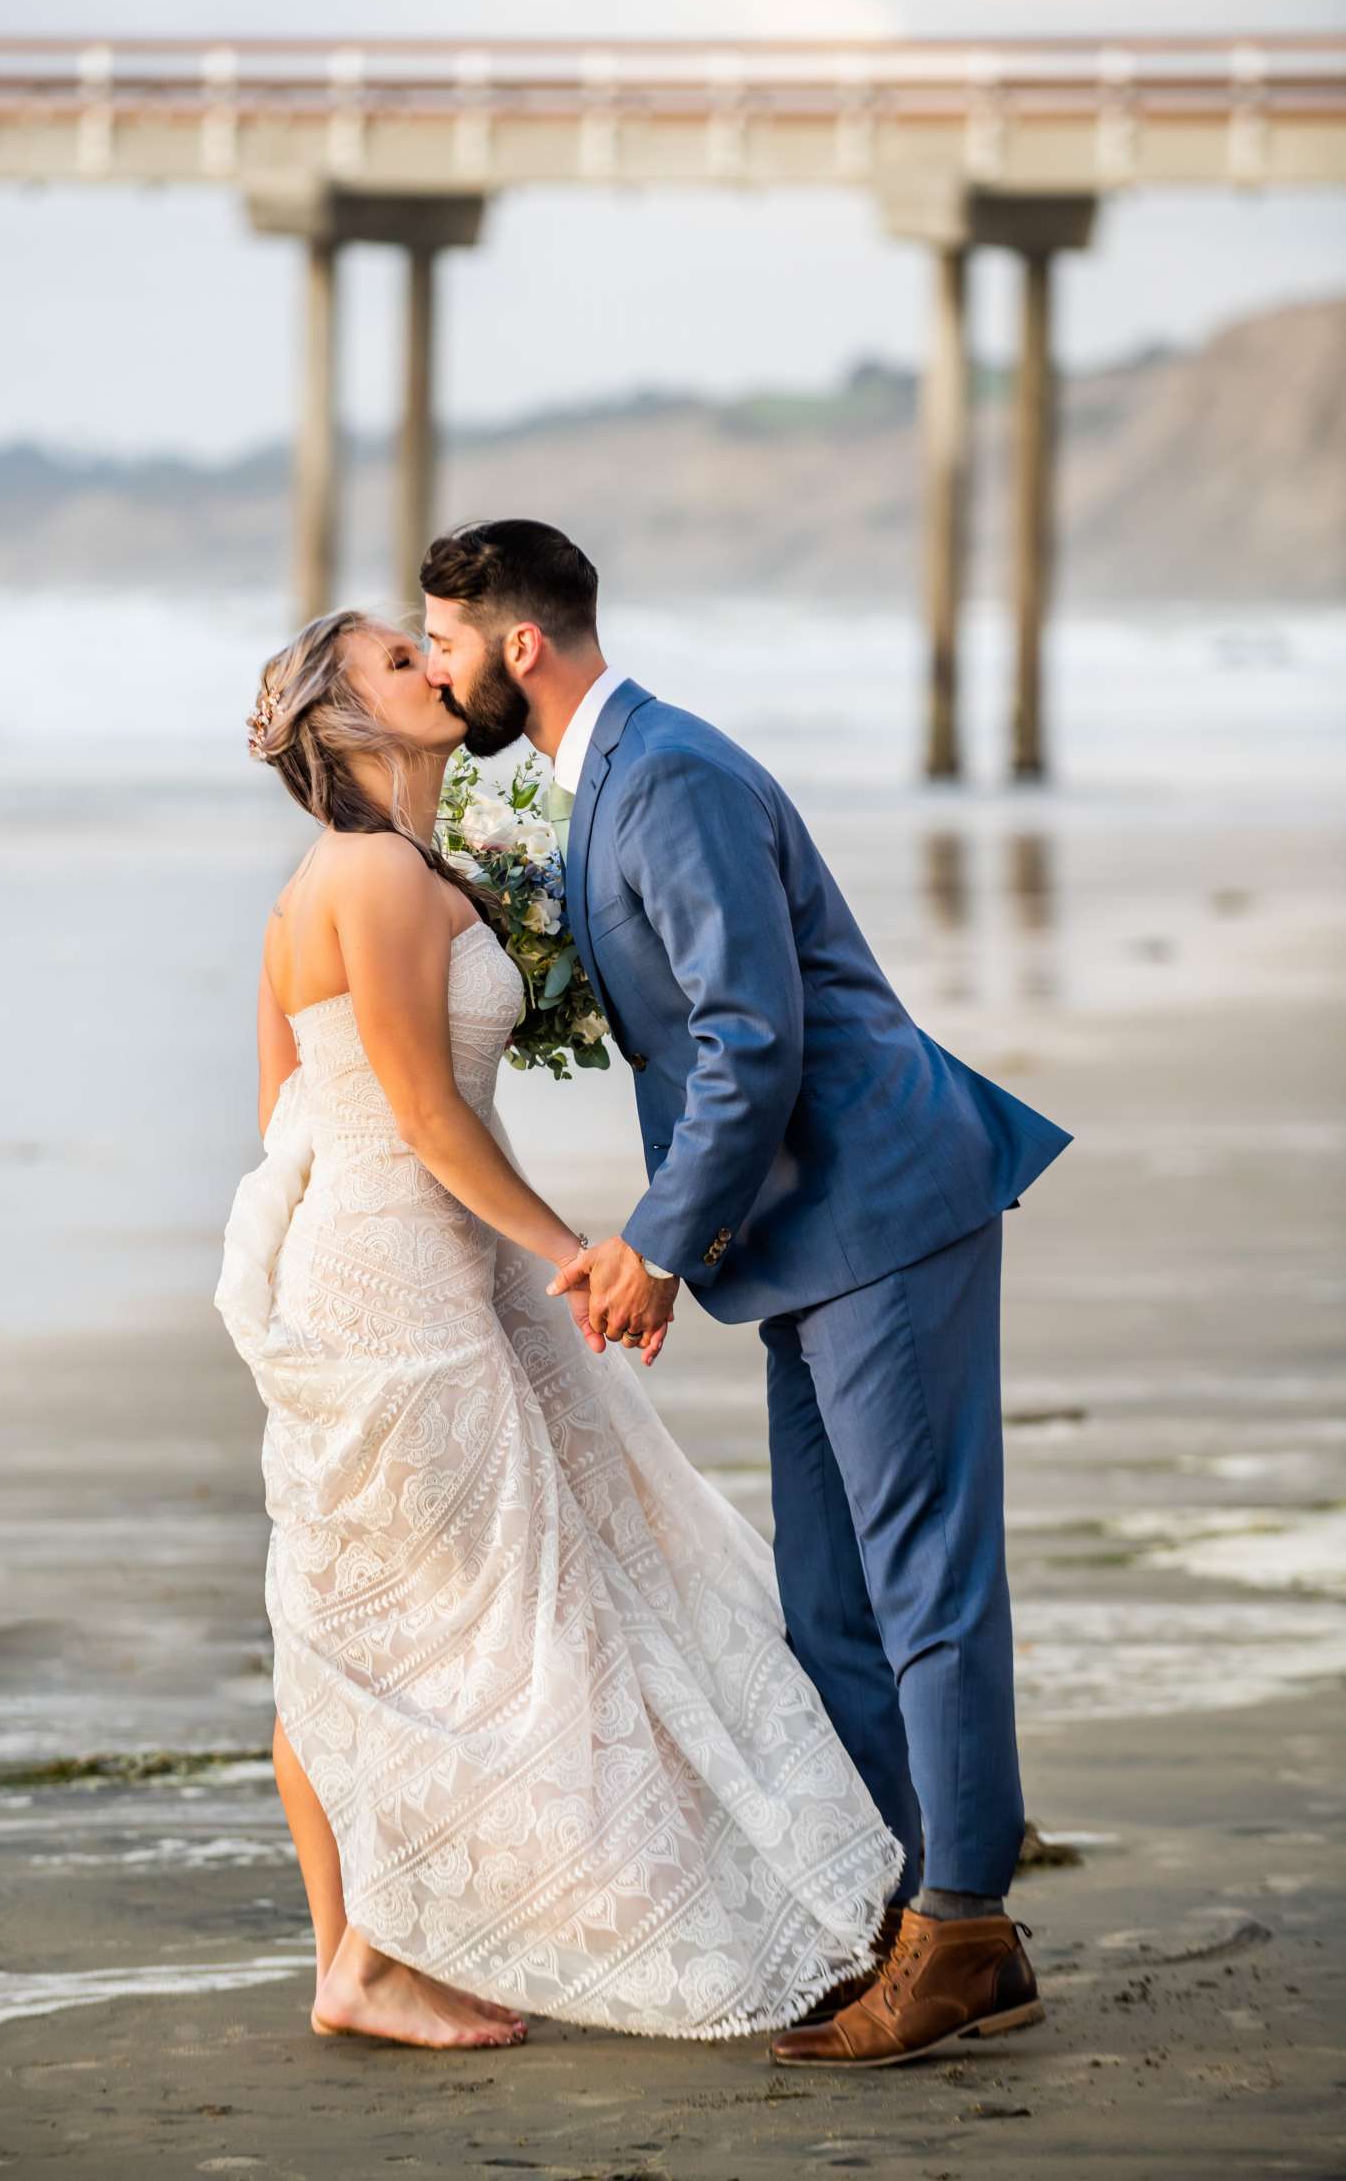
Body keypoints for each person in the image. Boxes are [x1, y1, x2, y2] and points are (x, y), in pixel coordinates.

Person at [419, 518, 1071, 2069]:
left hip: (880, 1205)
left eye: (444, 641)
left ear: (521, 645)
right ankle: (893, 1915)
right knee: (832, 1603)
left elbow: (751, 1038)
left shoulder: (667, 774)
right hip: (799, 1232)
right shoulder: (600, 780)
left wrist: (648, 1243)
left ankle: (966, 1922)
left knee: (922, 1586)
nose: (438, 671)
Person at [214, 602, 902, 2053]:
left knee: (365, 1607)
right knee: (432, 1608)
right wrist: (573, 1253)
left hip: (405, 1255)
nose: (433, 664)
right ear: (346, 724)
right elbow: (416, 1113)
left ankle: (355, 1957)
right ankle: (361, 1959)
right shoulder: (373, 879)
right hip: (403, 1276)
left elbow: (284, 1110)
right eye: (400, 661)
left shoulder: (353, 879)